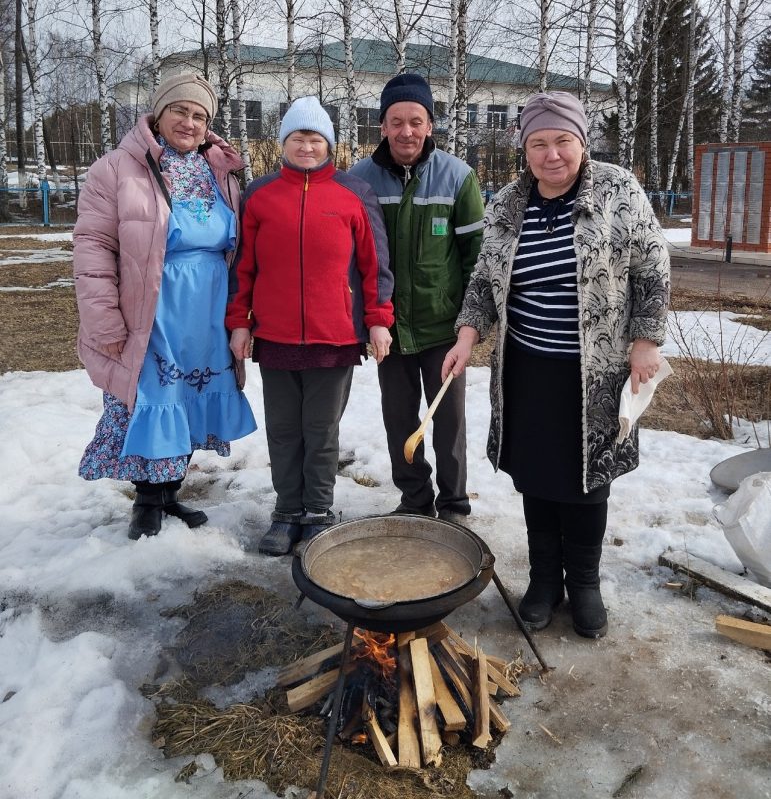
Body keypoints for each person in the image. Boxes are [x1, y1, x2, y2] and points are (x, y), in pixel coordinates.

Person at [442, 91, 670, 638]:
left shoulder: (617, 190)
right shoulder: (507, 203)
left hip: (594, 372)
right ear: (524, 149)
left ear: (582, 142)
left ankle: (585, 584)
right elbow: (483, 279)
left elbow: (653, 268)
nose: (552, 155)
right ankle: (544, 581)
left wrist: (646, 340)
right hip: (526, 368)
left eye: (563, 141)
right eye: (538, 144)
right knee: (538, 476)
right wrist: (468, 334)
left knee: (587, 479)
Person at [74, 71, 257, 540]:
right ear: (158, 113)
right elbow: (93, 247)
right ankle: (147, 500)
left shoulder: (222, 171)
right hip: (151, 308)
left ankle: (171, 493)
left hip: (208, 312)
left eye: (200, 116)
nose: (189, 123)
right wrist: (103, 318)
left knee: (189, 400)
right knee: (153, 397)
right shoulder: (116, 168)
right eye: (180, 110)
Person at [227, 97, 394, 556]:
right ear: (284, 142)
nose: (306, 146)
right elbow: (243, 267)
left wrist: (378, 321)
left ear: (329, 144)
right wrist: (239, 323)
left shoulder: (354, 193)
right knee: (283, 431)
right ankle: (286, 512)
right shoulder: (260, 194)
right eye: (298, 138)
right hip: (275, 336)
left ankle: (318, 512)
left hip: (334, 337)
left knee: (321, 432)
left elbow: (375, 265)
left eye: (315, 138)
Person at [350, 73, 485, 524]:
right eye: (396, 121)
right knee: (399, 418)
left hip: (443, 327)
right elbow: (352, 259)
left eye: (416, 121)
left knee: (448, 421)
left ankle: (454, 504)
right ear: (382, 126)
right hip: (388, 328)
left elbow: (476, 258)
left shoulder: (457, 177)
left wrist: (470, 324)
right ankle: (414, 498)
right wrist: (366, 318)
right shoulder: (360, 180)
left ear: (430, 125)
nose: (406, 131)